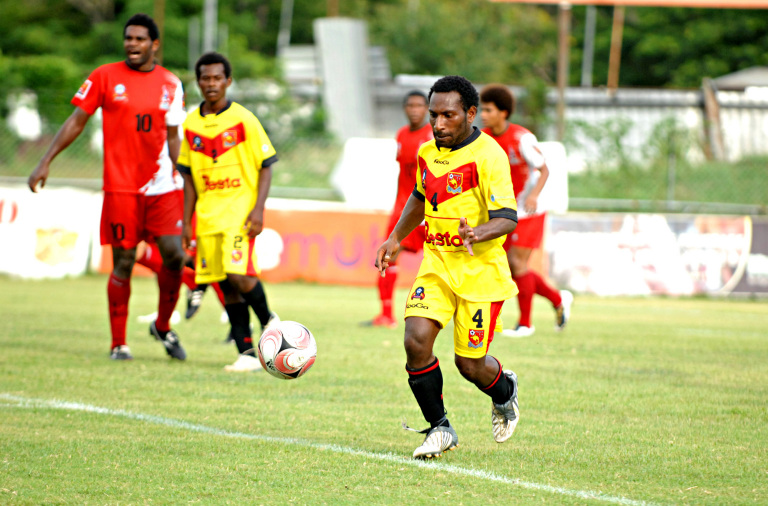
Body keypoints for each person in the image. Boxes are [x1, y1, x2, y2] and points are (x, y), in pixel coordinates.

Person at [376, 75, 521, 459]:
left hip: (480, 276)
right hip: (437, 266)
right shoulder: (428, 152)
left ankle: (504, 391)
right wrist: (394, 239)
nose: (438, 124)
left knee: (470, 365)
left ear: (470, 114)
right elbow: (420, 196)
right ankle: (440, 428)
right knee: (415, 341)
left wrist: (479, 232)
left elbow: (508, 217)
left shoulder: (490, 155)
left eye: (449, 116)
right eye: (434, 115)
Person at [27, 13, 187, 361]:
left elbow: (175, 136)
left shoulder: (172, 84)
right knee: (124, 261)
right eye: (128, 38)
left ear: (155, 45)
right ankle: (119, 343)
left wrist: (186, 179)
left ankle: (162, 325)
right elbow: (77, 120)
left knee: (175, 255)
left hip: (164, 185)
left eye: (140, 39)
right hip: (121, 188)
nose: (132, 44)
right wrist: (46, 160)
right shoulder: (105, 75)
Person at [179, 51, 279, 373]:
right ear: (198, 82)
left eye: (217, 78)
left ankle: (270, 322)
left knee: (239, 275)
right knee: (226, 283)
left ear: (228, 81)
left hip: (239, 213)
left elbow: (266, 166)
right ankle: (246, 353)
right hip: (207, 218)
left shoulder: (244, 119)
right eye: (205, 78)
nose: (211, 84)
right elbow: (189, 178)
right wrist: (186, 223)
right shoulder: (191, 123)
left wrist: (258, 209)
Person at [479, 84, 573, 338]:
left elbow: (544, 169)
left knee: (516, 262)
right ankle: (557, 298)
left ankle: (525, 324)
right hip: (504, 211)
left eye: (488, 110)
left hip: (530, 210)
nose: (483, 115)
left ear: (504, 112)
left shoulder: (522, 138)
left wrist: (533, 195)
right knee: (512, 267)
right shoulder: (483, 138)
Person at [364, 90, 433, 329]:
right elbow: (404, 175)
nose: (414, 109)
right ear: (404, 109)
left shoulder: (433, 136)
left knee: (444, 259)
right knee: (387, 257)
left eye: (419, 105)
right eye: (410, 105)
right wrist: (398, 204)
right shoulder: (402, 135)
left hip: (429, 209)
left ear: (427, 109)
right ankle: (386, 314)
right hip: (403, 207)